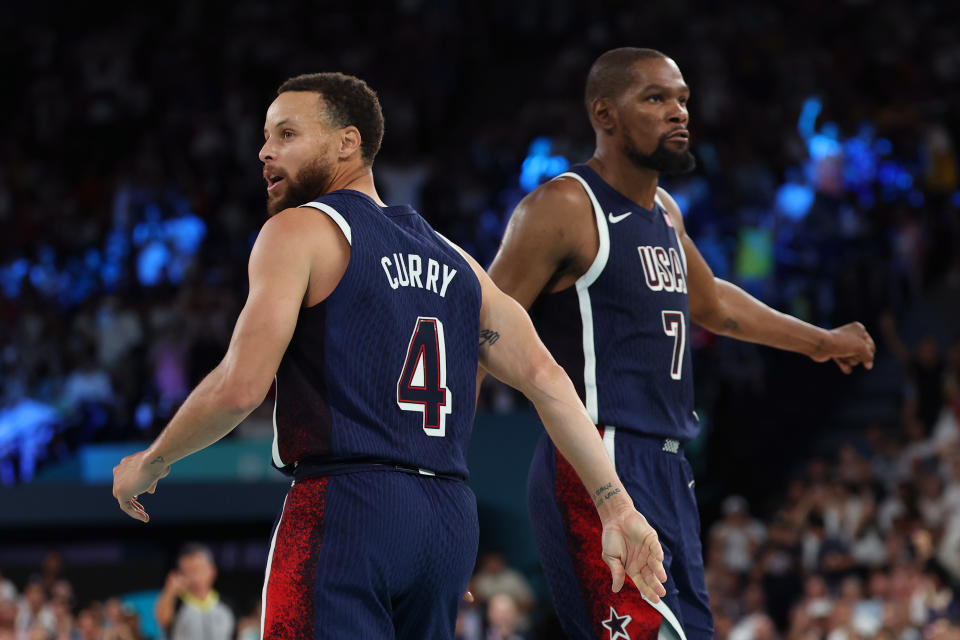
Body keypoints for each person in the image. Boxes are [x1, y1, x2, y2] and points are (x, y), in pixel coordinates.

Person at [112, 71, 668, 639]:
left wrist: (150, 462)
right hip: (446, 521)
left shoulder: (297, 231)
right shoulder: (459, 263)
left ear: (347, 142)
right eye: (265, 136)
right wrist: (617, 507)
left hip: (347, 506)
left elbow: (239, 387)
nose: (264, 151)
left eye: (285, 134)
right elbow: (548, 379)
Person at [480, 47, 877, 640]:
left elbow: (713, 302)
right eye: (656, 98)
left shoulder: (664, 211)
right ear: (605, 115)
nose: (678, 113)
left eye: (683, 100)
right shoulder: (562, 206)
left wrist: (820, 342)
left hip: (668, 467)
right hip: (596, 459)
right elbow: (482, 325)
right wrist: (426, 467)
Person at [154, 544, 234, 640]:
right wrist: (169, 592)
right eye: (188, 571)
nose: (195, 577)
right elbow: (163, 620)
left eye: (198, 569)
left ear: (212, 571)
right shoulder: (176, 602)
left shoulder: (227, 605)